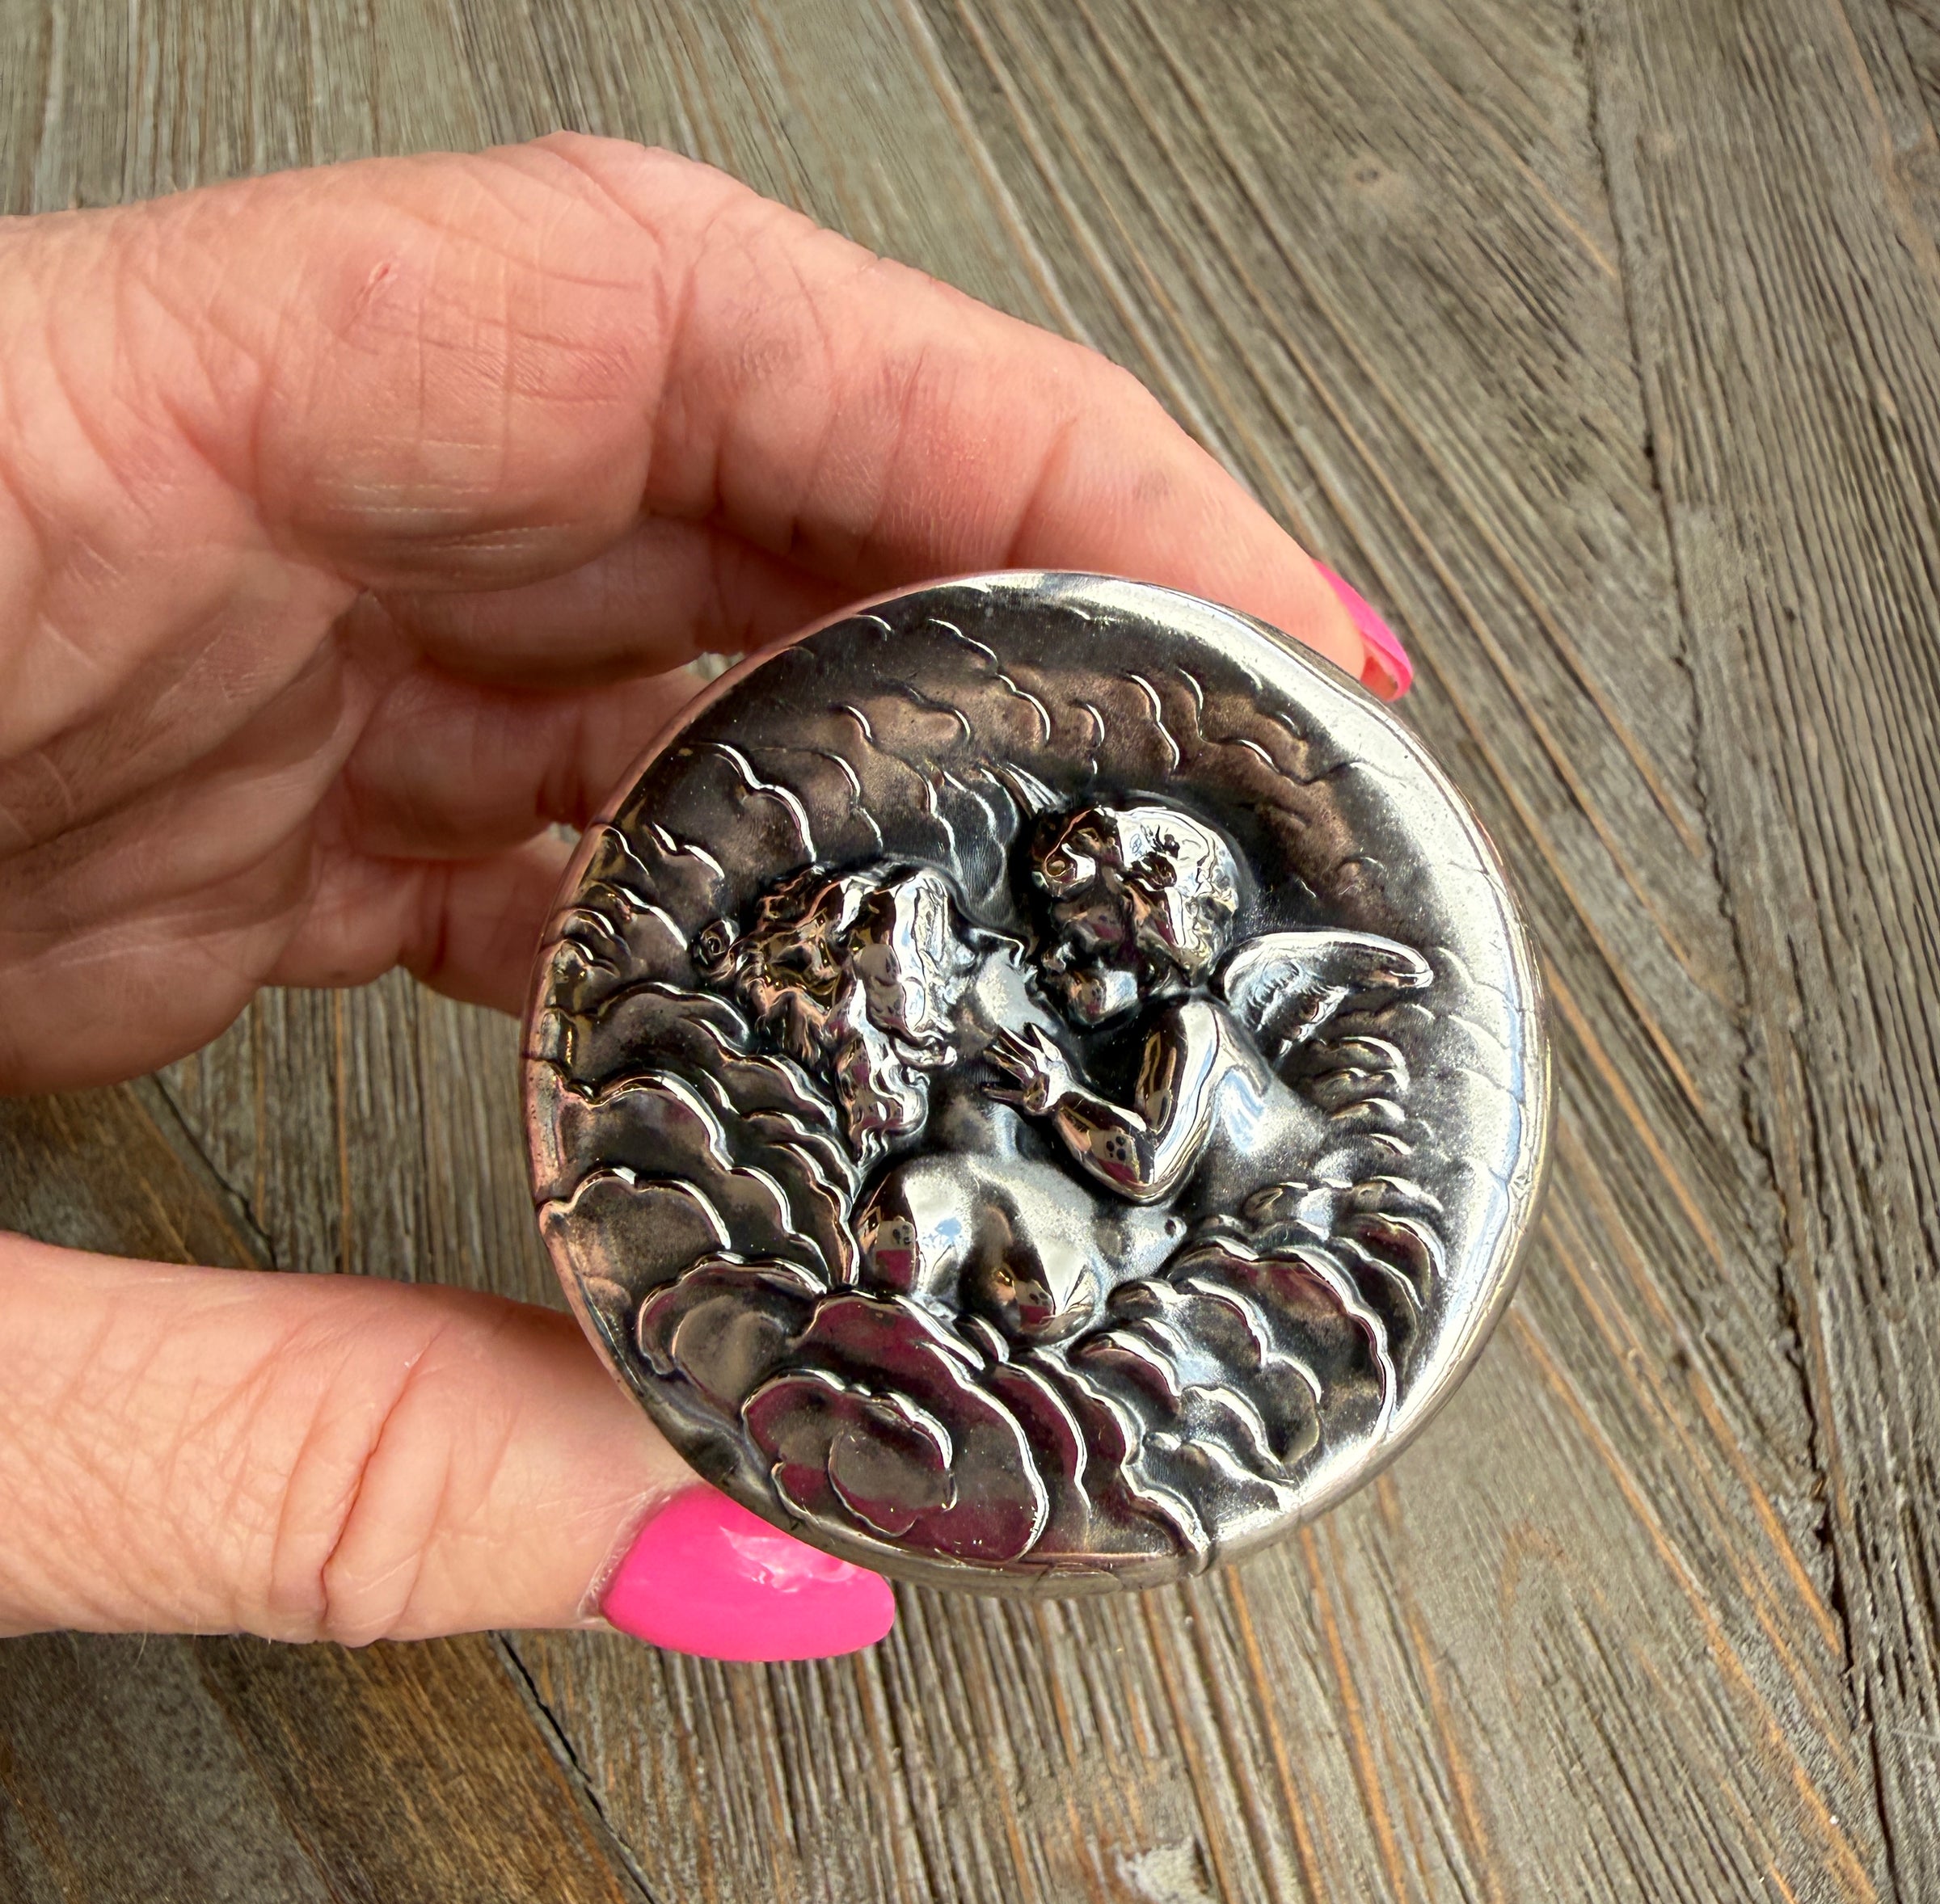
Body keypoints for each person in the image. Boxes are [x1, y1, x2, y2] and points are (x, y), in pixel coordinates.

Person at [0, 136, 1410, 1658]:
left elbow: (1140, 1171)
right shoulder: (1064, 1042)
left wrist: (1042, 1087)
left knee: (975, 1213)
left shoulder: (1186, 1039)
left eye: (1092, 938)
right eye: (1060, 941)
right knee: (939, 1208)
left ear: (1162, 926)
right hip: (1068, 1235)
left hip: (1231, 1217)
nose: (1066, 965)